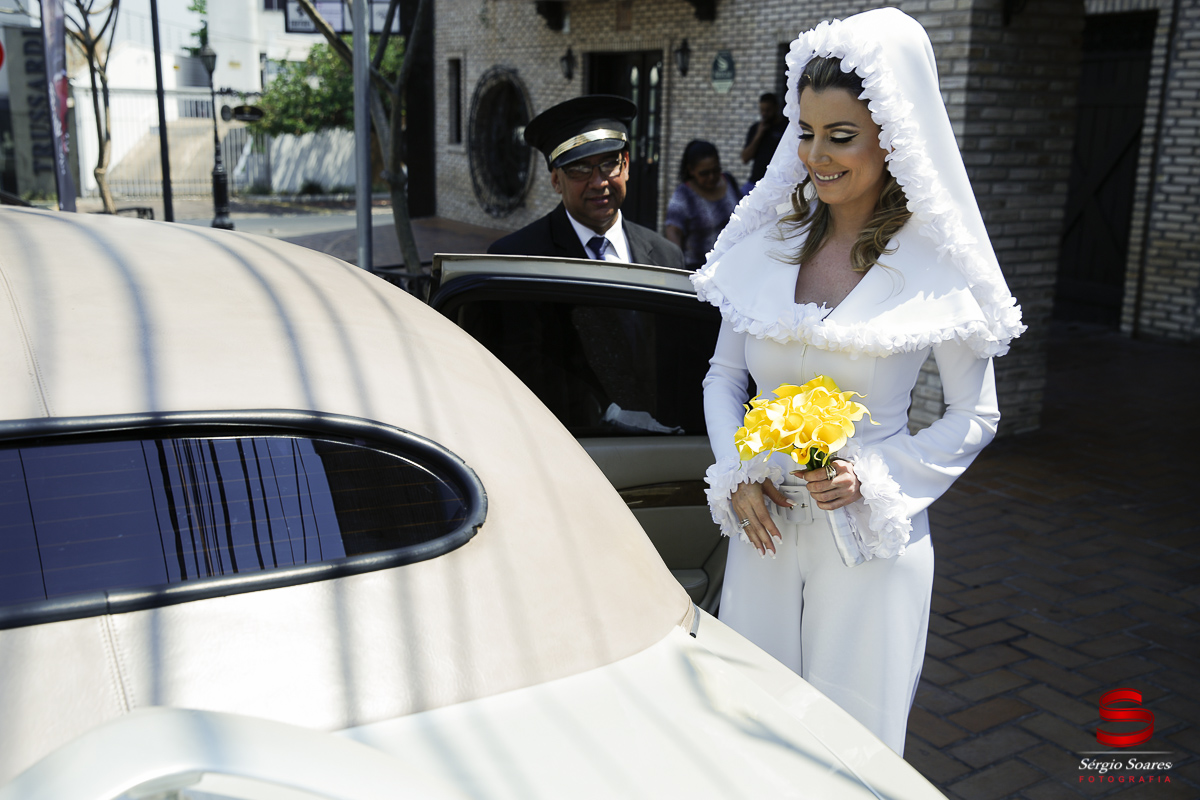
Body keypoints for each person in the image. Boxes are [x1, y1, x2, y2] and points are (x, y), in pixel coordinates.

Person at [694, 8, 1025, 755]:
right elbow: (723, 375)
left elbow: (976, 414)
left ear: (892, 136)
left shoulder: (936, 263)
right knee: (752, 734)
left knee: (851, 748)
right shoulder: (768, 241)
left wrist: (875, 478)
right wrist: (735, 473)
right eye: (805, 132)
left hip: (872, 542)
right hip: (766, 531)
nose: (816, 154)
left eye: (840, 136)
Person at [488, 95, 684, 268]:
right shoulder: (515, 261)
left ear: (625, 166)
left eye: (609, 164)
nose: (599, 183)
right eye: (579, 170)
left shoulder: (666, 257)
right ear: (556, 180)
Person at [665, 140, 742, 270]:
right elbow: (673, 231)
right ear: (691, 170)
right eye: (704, 173)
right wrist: (677, 266)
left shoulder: (729, 182)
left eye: (716, 170)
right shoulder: (683, 195)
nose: (711, 177)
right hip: (699, 269)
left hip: (732, 264)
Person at [739, 92, 788, 194]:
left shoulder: (786, 128)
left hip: (776, 184)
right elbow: (745, 158)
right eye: (762, 110)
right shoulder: (756, 128)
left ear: (776, 108)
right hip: (755, 182)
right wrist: (758, 135)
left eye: (768, 110)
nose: (764, 113)